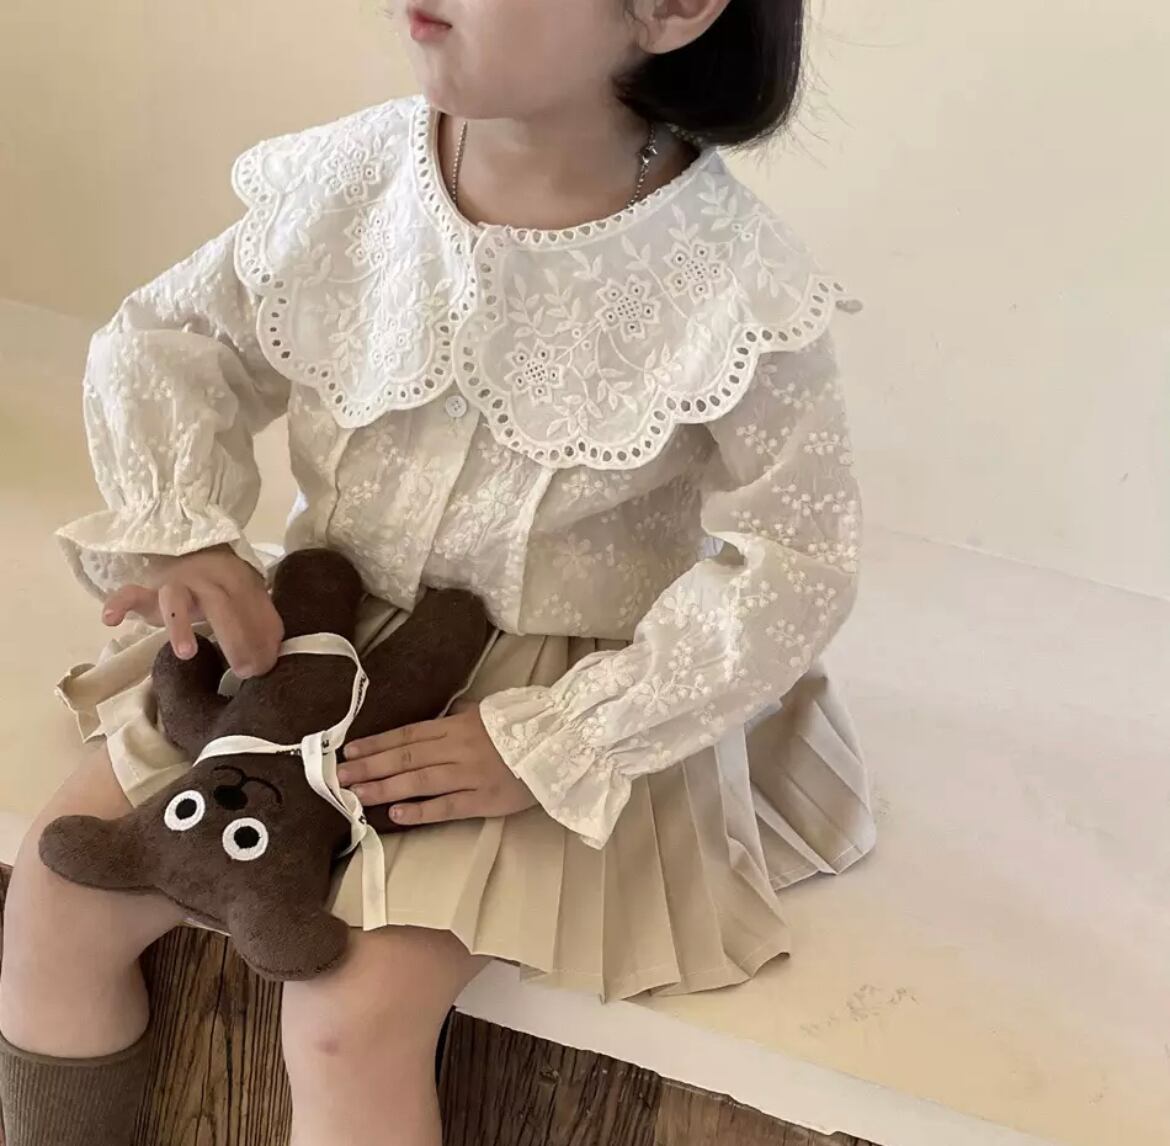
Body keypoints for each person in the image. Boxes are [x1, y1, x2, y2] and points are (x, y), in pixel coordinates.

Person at [0, 1, 877, 1143]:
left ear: (670, 7)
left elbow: (796, 557)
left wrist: (565, 738)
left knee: (347, 1017)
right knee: (61, 891)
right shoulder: (353, 179)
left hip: (540, 695)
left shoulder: (731, 284)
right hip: (309, 637)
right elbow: (170, 340)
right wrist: (191, 533)